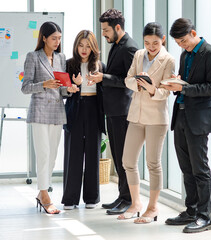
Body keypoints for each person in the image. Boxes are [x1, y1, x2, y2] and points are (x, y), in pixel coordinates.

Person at [162, 18, 211, 233]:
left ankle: (204, 215)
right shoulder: (184, 54)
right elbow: (186, 82)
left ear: (193, 32)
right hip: (180, 115)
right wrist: (177, 82)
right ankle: (191, 210)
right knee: (186, 168)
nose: (181, 45)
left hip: (199, 118)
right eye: (178, 42)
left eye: (183, 40)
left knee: (200, 168)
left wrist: (185, 88)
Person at [117, 22, 174, 223]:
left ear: (163, 40)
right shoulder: (139, 55)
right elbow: (128, 79)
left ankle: (153, 207)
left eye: (155, 43)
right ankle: (136, 204)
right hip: (136, 116)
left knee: (153, 164)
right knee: (128, 161)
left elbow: (167, 91)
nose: (151, 47)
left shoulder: (168, 60)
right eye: (147, 42)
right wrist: (140, 85)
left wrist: (152, 89)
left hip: (156, 119)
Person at [21, 21, 78, 214]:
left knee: (52, 155)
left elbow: (60, 89)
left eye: (59, 38)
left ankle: (42, 192)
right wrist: (44, 84)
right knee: (43, 153)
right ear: (44, 38)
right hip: (39, 112)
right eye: (53, 38)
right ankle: (44, 194)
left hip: (57, 112)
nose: (57, 41)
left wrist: (68, 90)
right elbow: (25, 87)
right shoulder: (33, 57)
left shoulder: (61, 58)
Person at [87, 8, 139, 215]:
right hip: (113, 110)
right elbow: (116, 72)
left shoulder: (129, 48)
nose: (104, 35)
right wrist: (103, 73)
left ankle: (129, 199)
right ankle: (122, 196)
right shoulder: (117, 44)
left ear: (118, 27)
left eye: (106, 30)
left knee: (125, 158)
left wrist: (104, 78)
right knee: (117, 156)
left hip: (123, 111)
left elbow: (130, 81)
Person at [61, 30, 106, 210]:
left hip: (94, 108)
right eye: (81, 45)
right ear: (76, 46)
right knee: (73, 154)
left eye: (88, 46)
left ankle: (91, 198)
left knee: (93, 153)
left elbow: (105, 90)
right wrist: (74, 86)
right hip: (75, 110)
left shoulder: (100, 65)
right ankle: (70, 199)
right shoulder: (69, 65)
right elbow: (62, 91)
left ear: (93, 47)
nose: (84, 49)